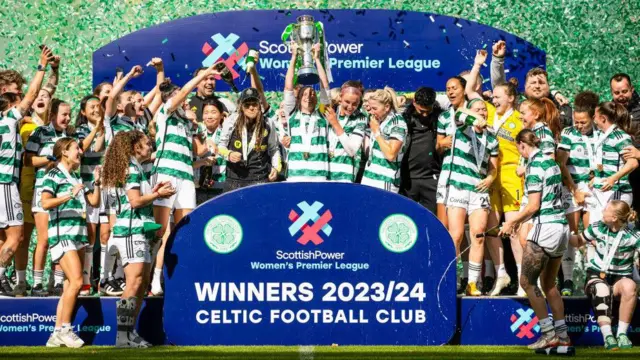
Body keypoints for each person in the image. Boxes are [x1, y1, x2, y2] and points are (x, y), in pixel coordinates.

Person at [150, 64, 219, 295]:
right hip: (165, 174)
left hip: (186, 178)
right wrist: (203, 74)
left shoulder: (187, 122)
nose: (187, 102)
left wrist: (196, 126)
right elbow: (182, 95)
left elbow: (199, 151)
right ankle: (150, 279)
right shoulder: (166, 112)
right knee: (159, 232)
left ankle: (174, 279)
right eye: (183, 99)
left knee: (182, 230)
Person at [102, 130, 174, 347]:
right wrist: (158, 195)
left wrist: (153, 191)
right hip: (131, 232)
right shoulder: (131, 168)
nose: (150, 145)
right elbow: (134, 202)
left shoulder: (134, 168)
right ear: (135, 147)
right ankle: (122, 336)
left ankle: (130, 331)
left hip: (136, 230)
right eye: (145, 143)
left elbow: (135, 198)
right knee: (134, 282)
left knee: (141, 283)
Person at [500, 129, 570, 350]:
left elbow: (533, 206)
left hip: (545, 228)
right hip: (561, 229)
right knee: (549, 285)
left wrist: (511, 222)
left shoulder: (534, 167)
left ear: (522, 145)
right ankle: (563, 336)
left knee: (527, 282)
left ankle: (548, 335)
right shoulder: (551, 163)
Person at [466, 49, 524, 296]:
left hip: (512, 176)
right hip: (490, 176)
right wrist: (478, 64)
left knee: (513, 230)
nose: (494, 99)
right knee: (491, 229)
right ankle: (501, 274)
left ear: (511, 99)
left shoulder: (520, 119)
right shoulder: (488, 112)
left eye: (499, 96)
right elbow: (470, 92)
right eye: (494, 96)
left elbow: (529, 147)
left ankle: (523, 280)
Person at [0, 45, 51, 297]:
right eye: (16, 93)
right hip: (6, 184)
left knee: (4, 238)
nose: (22, 97)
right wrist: (41, 66)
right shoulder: (8, 118)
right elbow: (32, 95)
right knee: (17, 236)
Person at [41, 137, 101, 347]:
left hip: (77, 236)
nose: (80, 152)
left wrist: (97, 182)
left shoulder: (74, 176)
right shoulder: (54, 174)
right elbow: (45, 202)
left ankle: (56, 333)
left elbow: (94, 201)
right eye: (77, 148)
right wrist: (69, 194)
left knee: (69, 286)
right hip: (62, 235)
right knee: (77, 282)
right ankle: (66, 329)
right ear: (64, 152)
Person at [445, 100, 498, 295]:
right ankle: (453, 279)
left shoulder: (492, 138)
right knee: (456, 236)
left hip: (478, 190)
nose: (482, 112)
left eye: (484, 109)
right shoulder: (462, 127)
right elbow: (459, 112)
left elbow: (493, 168)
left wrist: (490, 179)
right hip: (458, 187)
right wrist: (474, 119)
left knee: (478, 235)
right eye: (478, 109)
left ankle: (473, 283)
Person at [569, 200, 639, 350]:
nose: (602, 212)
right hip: (596, 276)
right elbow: (578, 241)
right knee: (601, 288)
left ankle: (621, 334)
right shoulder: (597, 227)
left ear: (614, 218)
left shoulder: (633, 236)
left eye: (606, 210)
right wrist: (564, 234)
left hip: (620, 279)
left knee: (630, 286)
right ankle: (607, 336)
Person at [25, 98, 73, 296]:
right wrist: (51, 159)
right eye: (64, 114)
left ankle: (58, 282)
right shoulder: (40, 132)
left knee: (60, 238)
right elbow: (28, 159)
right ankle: (37, 284)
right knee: (44, 239)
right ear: (52, 115)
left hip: (63, 191)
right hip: (43, 188)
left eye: (69, 114)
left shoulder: (69, 135)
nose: (67, 118)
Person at [556, 91, 600, 296]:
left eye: (583, 122)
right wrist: (575, 190)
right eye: (577, 121)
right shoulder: (568, 133)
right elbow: (561, 164)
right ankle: (567, 280)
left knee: (591, 234)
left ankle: (592, 277)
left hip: (593, 191)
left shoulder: (600, 134)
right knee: (572, 233)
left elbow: (601, 163)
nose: (579, 125)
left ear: (593, 118)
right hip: (571, 188)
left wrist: (596, 176)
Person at [490, 40, 572, 128]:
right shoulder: (517, 101)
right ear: (525, 86)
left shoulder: (560, 104)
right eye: (533, 83)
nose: (537, 86)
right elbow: (500, 89)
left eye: (541, 83)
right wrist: (497, 60)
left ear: (548, 86)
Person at [282, 42, 331, 182]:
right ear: (298, 99)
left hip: (319, 175)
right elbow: (288, 86)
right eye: (304, 95)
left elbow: (325, 86)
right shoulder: (292, 113)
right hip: (295, 175)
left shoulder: (323, 115)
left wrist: (316, 59)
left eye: (312, 95)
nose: (308, 97)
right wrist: (293, 57)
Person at [218, 88, 281, 190]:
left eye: (254, 104)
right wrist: (229, 154)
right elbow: (221, 146)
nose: (251, 108)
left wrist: (276, 168)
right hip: (234, 179)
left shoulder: (269, 123)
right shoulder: (232, 121)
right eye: (247, 105)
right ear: (241, 106)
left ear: (259, 104)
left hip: (260, 178)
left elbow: (274, 149)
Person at [74, 95, 106, 295]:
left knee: (107, 234)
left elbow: (101, 148)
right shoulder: (79, 130)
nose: (96, 109)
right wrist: (96, 128)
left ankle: (104, 279)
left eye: (98, 106)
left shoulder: (108, 125)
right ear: (83, 112)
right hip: (89, 185)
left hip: (109, 187)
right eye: (92, 107)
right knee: (91, 234)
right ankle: (86, 279)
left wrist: (102, 129)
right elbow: (83, 149)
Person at [589, 102, 638, 223]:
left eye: (595, 115)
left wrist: (613, 178)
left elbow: (633, 163)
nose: (593, 118)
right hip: (602, 191)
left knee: (615, 233)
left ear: (603, 118)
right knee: (597, 232)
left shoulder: (619, 137)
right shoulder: (602, 135)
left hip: (617, 192)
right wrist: (596, 178)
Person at [400, 87, 444, 213]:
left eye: (428, 111)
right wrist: (403, 96)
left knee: (431, 220)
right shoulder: (404, 120)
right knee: (406, 217)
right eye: (421, 111)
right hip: (408, 180)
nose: (425, 114)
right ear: (414, 102)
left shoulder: (440, 118)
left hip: (432, 179)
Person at [360, 87, 407, 193]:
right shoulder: (378, 119)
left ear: (386, 107)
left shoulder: (397, 122)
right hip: (369, 176)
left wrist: (377, 132)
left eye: (375, 109)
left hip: (385, 180)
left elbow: (391, 155)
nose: (371, 112)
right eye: (370, 108)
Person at [436, 76, 468, 227]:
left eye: (454, 88)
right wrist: (442, 143)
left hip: (470, 176)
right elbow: (437, 147)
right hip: (447, 175)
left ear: (464, 90)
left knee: (467, 231)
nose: (450, 92)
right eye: (448, 89)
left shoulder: (474, 111)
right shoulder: (444, 117)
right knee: (445, 225)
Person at [326, 82, 367, 183]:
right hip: (324, 171)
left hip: (345, 174)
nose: (350, 107)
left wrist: (335, 124)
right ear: (340, 97)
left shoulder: (361, 118)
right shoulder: (330, 111)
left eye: (355, 104)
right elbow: (324, 88)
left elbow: (352, 150)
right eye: (347, 102)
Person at [194, 97, 227, 203]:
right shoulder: (196, 131)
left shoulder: (226, 134)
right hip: (197, 186)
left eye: (213, 112)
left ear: (221, 115)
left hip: (220, 185)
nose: (209, 116)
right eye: (206, 113)